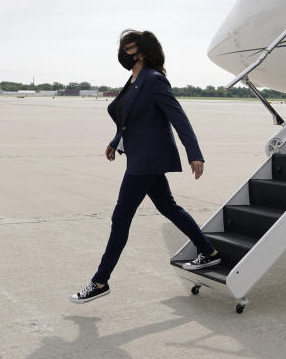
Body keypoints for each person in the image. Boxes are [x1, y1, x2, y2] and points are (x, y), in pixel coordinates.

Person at [70, 30, 220, 303]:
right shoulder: (134, 79)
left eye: (127, 48)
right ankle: (208, 252)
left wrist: (194, 153)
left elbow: (178, 116)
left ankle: (100, 281)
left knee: (120, 218)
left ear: (139, 51)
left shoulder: (153, 79)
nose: (122, 53)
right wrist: (116, 141)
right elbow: (129, 119)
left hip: (147, 160)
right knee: (168, 207)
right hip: (141, 157)